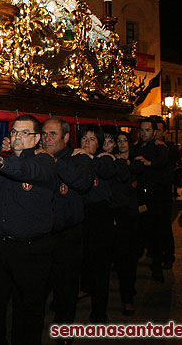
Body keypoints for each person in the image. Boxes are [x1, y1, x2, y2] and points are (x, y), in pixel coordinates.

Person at [0, 114, 56, 345]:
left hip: (32, 251)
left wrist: (0, 162)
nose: (17, 137)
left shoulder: (45, 161)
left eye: (24, 133)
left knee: (28, 310)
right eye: (14, 132)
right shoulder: (1, 161)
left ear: (37, 138)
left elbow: (27, 170)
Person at [42, 118, 93, 337]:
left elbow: (82, 183)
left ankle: (65, 332)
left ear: (65, 138)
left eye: (52, 134)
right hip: (42, 234)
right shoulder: (38, 157)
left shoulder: (77, 158)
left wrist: (54, 161)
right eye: (44, 134)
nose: (47, 139)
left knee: (67, 286)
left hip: (67, 235)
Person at [79, 124, 116, 323]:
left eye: (92, 139)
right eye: (84, 138)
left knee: (100, 268)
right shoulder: (76, 158)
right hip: (79, 218)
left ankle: (99, 311)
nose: (86, 142)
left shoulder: (104, 160)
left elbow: (107, 172)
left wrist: (90, 157)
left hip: (100, 219)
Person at [109, 129, 144, 316]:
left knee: (127, 257)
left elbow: (137, 176)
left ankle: (128, 297)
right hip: (114, 212)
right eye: (119, 141)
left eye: (125, 140)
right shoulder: (113, 161)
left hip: (130, 214)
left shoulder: (137, 161)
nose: (122, 144)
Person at [134, 117, 170, 282]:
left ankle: (157, 267)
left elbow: (163, 161)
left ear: (155, 132)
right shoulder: (136, 147)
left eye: (147, 130)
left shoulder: (159, 148)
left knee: (156, 234)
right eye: (141, 130)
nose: (143, 133)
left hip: (154, 199)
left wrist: (149, 163)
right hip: (139, 197)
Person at [152, 116, 176, 269]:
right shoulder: (148, 146)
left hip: (163, 192)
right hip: (150, 192)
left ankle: (168, 255)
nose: (156, 133)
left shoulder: (169, 147)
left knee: (164, 225)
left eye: (159, 130)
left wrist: (163, 149)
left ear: (165, 132)